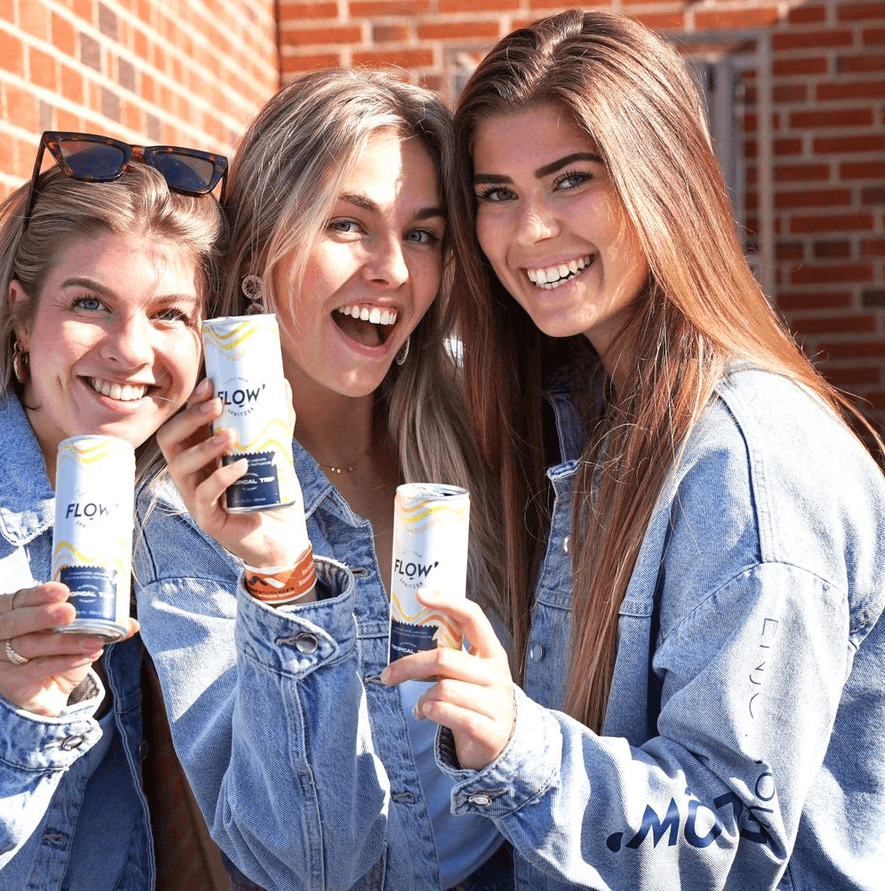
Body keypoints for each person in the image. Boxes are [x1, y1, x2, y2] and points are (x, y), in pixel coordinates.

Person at [379, 9, 885, 891]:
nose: (529, 230)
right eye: (497, 192)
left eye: (569, 180)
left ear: (664, 179)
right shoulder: (589, 419)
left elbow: (722, 837)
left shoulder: (749, 460)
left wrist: (515, 742)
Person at [134, 67, 512, 891]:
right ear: (258, 255)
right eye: (349, 224)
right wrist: (283, 573)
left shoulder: (481, 425)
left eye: (423, 234)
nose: (393, 270)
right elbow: (309, 865)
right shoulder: (186, 516)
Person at [0, 131, 225, 889]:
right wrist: (14, 717)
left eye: (170, 314)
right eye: (91, 303)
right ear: (22, 319)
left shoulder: (184, 517)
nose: (132, 350)